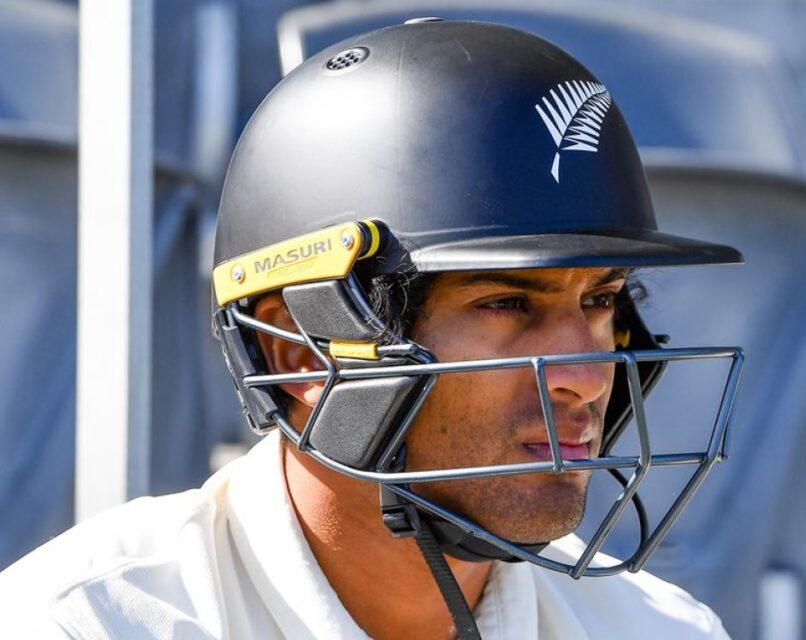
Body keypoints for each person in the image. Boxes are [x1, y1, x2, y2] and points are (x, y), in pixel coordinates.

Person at [0, 19, 744, 639]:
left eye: (601, 299)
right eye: (507, 305)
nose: (586, 377)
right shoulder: (83, 625)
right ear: (301, 349)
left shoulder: (663, 630)